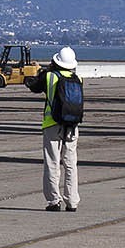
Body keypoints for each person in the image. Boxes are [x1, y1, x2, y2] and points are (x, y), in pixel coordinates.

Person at [26, 44, 83, 212]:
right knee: (71, 163)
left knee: (52, 162)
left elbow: (33, 86)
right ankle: (72, 201)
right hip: (72, 126)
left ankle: (54, 200)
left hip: (52, 125)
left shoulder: (50, 76)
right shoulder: (78, 79)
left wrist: (41, 71)